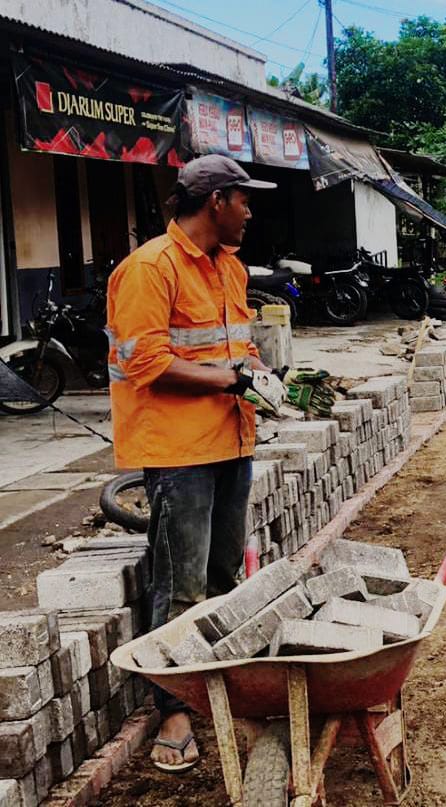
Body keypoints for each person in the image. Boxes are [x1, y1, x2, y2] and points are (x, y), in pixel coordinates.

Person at [107, 154, 280, 772]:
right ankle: (173, 709)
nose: (250, 212)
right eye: (244, 200)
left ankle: (219, 686)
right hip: (179, 451)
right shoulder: (150, 269)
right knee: (179, 584)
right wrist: (231, 379)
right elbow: (146, 363)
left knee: (222, 575)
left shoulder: (228, 266)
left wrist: (259, 375)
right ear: (216, 202)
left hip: (231, 440)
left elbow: (236, 346)